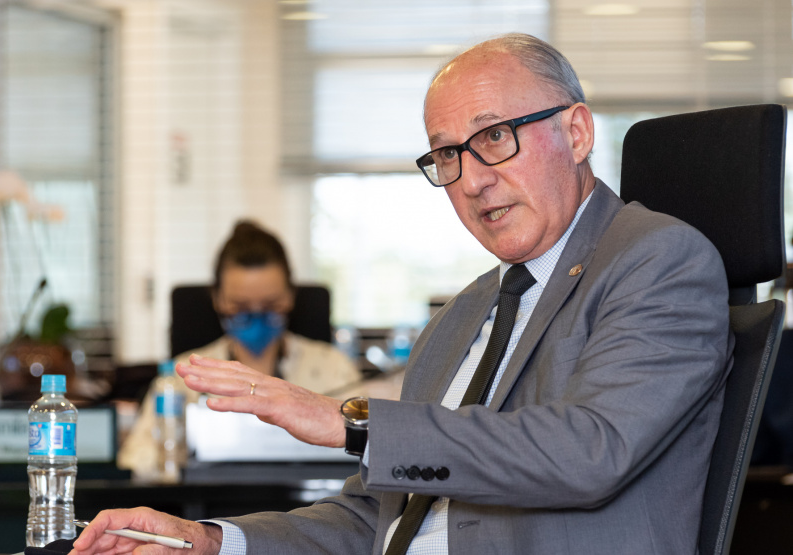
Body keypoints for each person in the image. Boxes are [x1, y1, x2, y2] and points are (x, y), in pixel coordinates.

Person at [72, 33, 732, 555]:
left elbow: (590, 451)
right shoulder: (462, 314)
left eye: (493, 137)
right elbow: (378, 515)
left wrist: (349, 421)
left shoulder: (655, 258)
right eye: (447, 156)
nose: (470, 180)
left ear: (577, 132)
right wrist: (214, 541)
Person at [117, 220, 360, 475]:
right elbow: (137, 461)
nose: (256, 316)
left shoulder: (335, 368)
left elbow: (369, 455)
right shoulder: (185, 375)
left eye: (270, 305)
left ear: (290, 296)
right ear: (218, 299)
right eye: (241, 307)